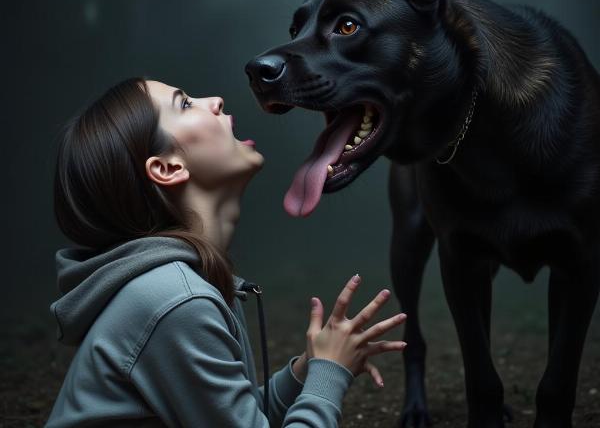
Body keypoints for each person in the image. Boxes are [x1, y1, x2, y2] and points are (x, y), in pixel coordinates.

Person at [46, 77, 407, 427]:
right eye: (184, 104)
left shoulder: (185, 282)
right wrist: (330, 373)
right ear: (168, 168)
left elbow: (235, 414)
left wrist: (308, 370)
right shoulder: (175, 300)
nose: (215, 100)